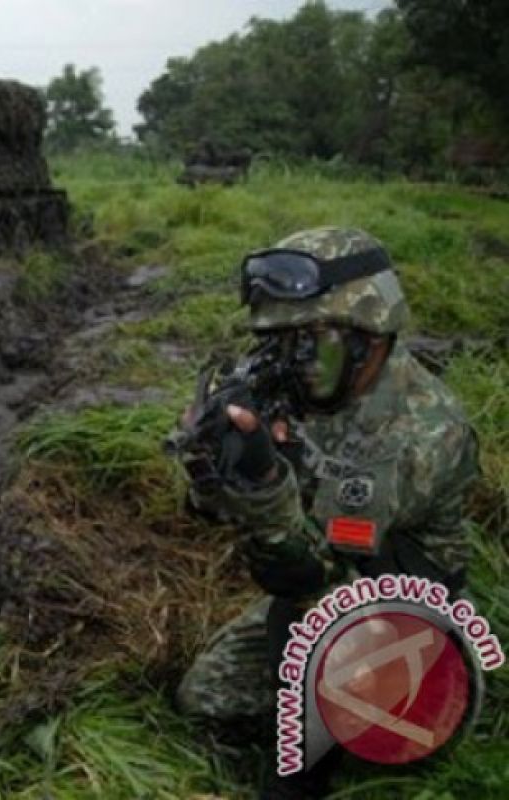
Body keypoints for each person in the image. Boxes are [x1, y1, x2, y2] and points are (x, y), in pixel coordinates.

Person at [171, 227, 479, 798]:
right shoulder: (311, 382)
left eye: (313, 338)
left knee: (342, 745)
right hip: (324, 572)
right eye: (282, 341)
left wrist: (266, 485)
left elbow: (315, 574)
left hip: (397, 602)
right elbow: (218, 518)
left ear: (370, 335)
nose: (294, 359)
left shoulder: (418, 431)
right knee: (206, 699)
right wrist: (214, 471)